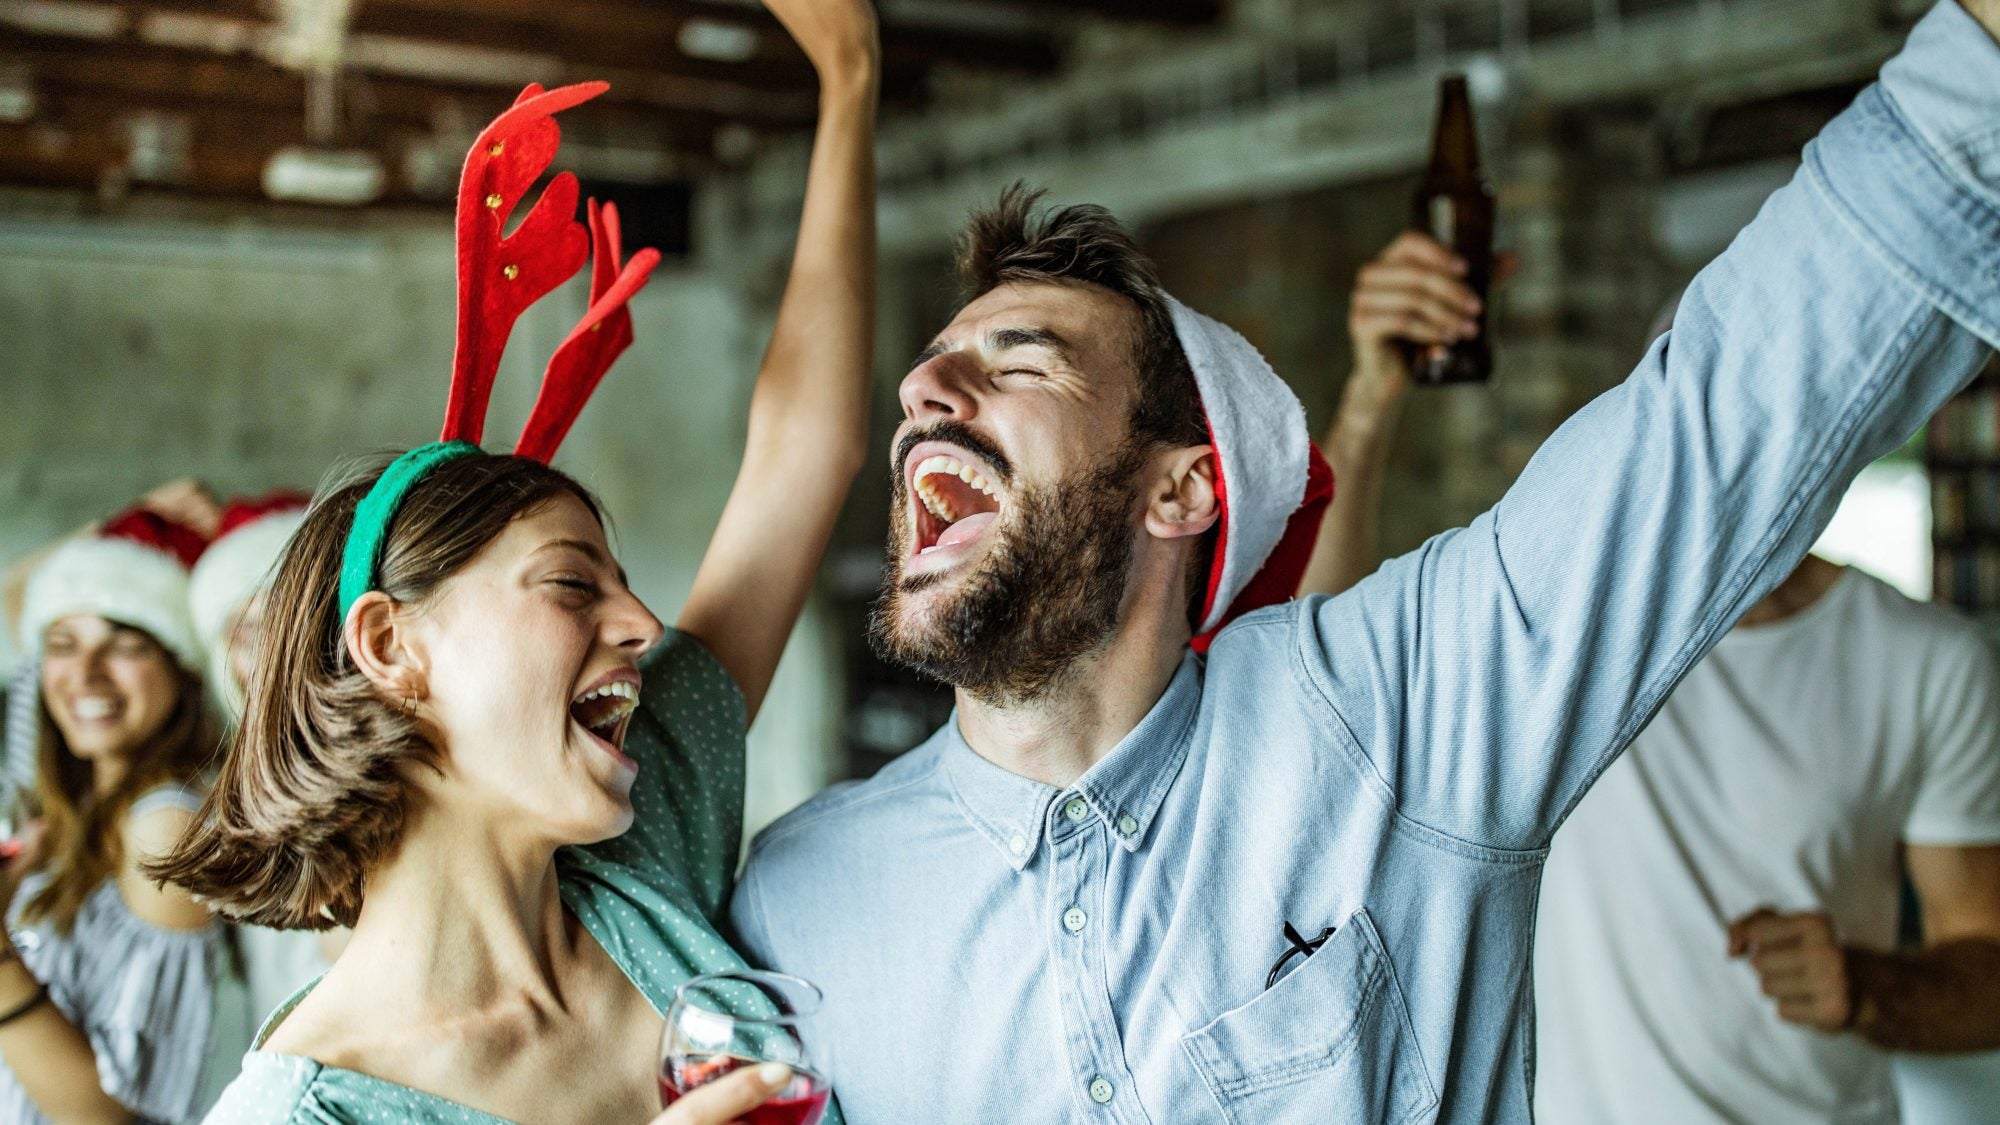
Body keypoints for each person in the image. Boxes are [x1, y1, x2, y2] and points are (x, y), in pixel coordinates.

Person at [723, 3, 2000, 1121]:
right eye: (936, 366)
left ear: (1180, 489)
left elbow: (1714, 421)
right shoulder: (796, 905)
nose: (921, 386)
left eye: (1018, 361)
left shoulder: (1393, 716)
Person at [149, 0, 878, 1120]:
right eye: (571, 583)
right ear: (393, 644)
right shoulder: (304, 1113)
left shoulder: (642, 853)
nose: (640, 623)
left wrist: (849, 78)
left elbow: (802, 457)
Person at [1306, 221, 2000, 1120]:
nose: (1722, 452)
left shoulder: (1926, 662)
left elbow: (1986, 963)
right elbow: (1315, 655)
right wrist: (1373, 392)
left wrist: (1867, 987)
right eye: (1690, 417)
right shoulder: (1560, 614)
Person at [0, 502, 255, 1123]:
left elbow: (114, 1118)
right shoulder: (57, 799)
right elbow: (11, 601)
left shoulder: (166, 829)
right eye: (63, 643)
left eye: (125, 644)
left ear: (182, 671)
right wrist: (123, 520)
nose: (85, 674)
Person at [187, 490, 349, 1024]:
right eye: (244, 633)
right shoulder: (230, 780)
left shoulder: (366, 775)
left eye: (281, 627)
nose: (264, 656)